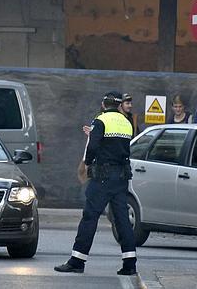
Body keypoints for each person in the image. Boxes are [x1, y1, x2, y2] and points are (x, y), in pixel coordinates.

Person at [55, 91, 137, 276]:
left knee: (90, 216)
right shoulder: (126, 122)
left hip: (102, 176)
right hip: (121, 176)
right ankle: (129, 263)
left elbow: (93, 146)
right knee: (122, 219)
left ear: (103, 104)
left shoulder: (100, 120)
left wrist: (89, 162)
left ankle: (77, 260)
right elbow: (118, 145)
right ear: (118, 105)